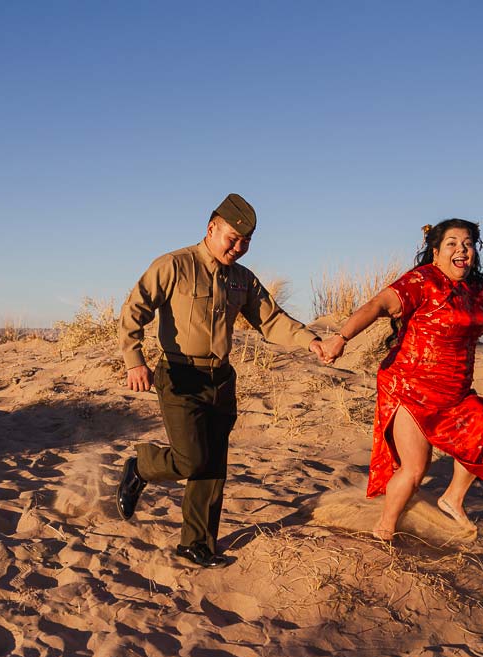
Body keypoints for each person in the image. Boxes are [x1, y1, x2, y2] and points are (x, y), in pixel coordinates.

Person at [117, 193, 328, 567]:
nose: (239, 247)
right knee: (191, 460)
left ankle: (195, 543)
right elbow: (135, 310)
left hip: (221, 379)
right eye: (232, 238)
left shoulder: (242, 279)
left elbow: (271, 320)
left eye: (246, 241)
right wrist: (134, 360)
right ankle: (141, 466)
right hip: (181, 375)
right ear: (211, 228)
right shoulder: (174, 265)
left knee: (213, 465)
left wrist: (310, 340)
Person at [321, 219, 483, 540]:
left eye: (467, 243)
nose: (461, 249)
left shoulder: (478, 293)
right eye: (451, 243)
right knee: (416, 468)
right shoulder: (421, 282)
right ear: (435, 252)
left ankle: (451, 500)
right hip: (410, 386)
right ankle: (385, 529)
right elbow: (377, 305)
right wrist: (341, 337)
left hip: (455, 392)